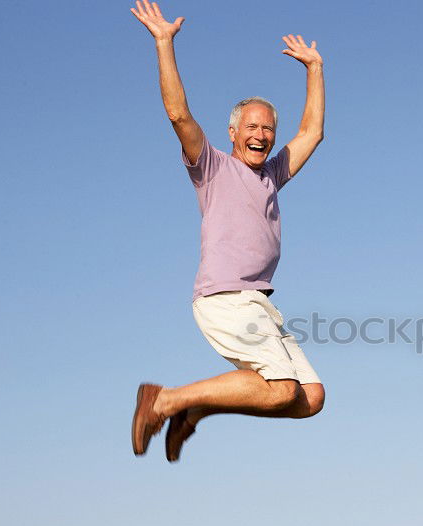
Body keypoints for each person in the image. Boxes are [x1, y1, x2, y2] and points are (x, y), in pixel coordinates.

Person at [129, 1, 326, 462]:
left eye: (268, 129)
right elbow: (179, 115)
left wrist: (315, 68)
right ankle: (164, 400)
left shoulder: (272, 175)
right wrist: (164, 43)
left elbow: (312, 132)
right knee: (279, 389)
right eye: (252, 127)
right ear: (234, 132)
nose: (262, 134)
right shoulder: (212, 167)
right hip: (225, 297)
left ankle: (193, 412)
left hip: (257, 300)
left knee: (308, 398)